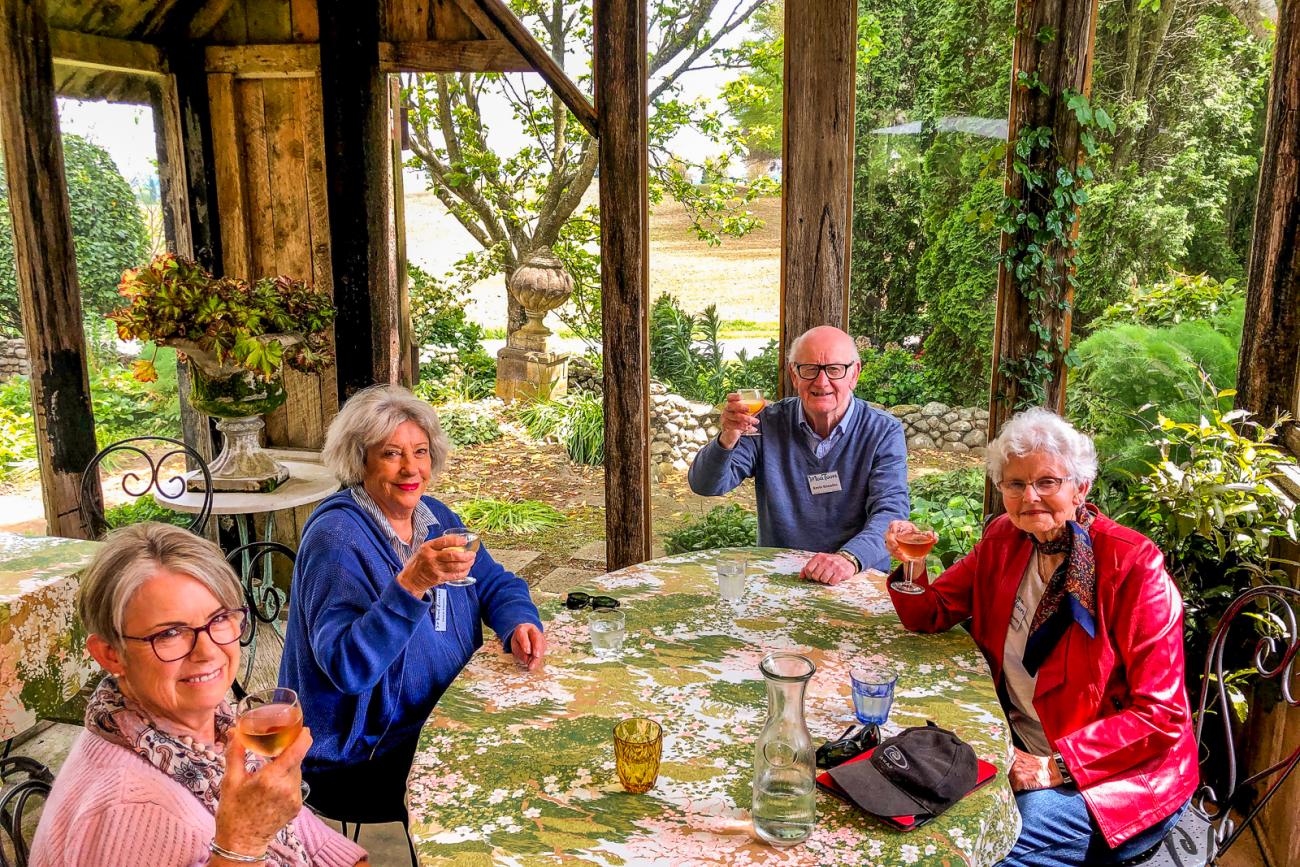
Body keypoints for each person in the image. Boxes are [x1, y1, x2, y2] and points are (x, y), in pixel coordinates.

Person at [882, 408, 1197, 866]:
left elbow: (1160, 716)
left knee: (978, 848)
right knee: (900, 789)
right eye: (1015, 484)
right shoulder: (1003, 540)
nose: (1030, 496)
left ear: (1080, 487)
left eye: (1047, 482)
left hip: (1114, 778)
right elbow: (930, 613)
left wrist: (1056, 766)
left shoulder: (1133, 567)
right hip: (1015, 745)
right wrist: (911, 559)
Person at [280, 384, 545, 824]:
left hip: (442, 715)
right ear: (358, 458)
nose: (411, 469)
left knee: (547, 733)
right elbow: (346, 667)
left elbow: (495, 582)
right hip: (363, 756)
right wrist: (412, 583)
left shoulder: (434, 516)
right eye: (391, 454)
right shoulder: (338, 539)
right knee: (515, 775)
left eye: (420, 452)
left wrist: (518, 622)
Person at [32, 522, 368, 867]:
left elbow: (309, 841)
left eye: (220, 618)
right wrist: (243, 841)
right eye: (170, 633)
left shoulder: (212, 725)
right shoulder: (126, 806)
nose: (207, 651)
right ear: (110, 654)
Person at [688, 325, 910, 583]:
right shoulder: (766, 423)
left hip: (857, 577)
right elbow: (706, 485)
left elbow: (891, 511)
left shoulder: (883, 430)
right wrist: (728, 436)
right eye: (809, 369)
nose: (821, 381)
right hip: (782, 578)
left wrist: (848, 559)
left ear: (854, 374)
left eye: (834, 370)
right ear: (794, 375)